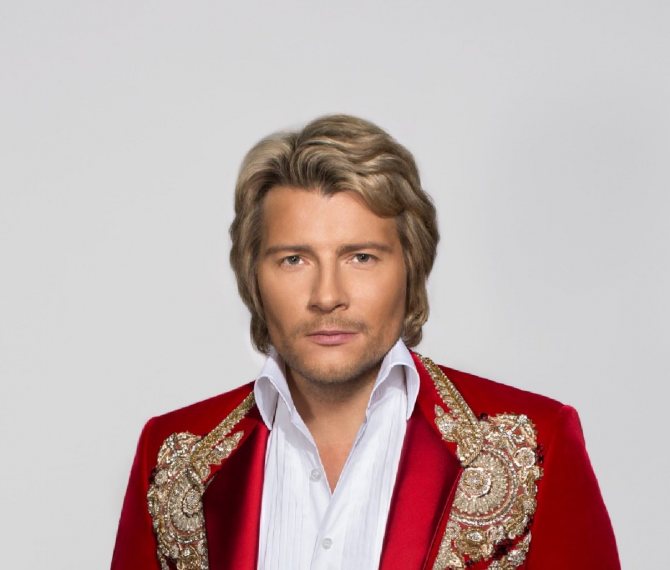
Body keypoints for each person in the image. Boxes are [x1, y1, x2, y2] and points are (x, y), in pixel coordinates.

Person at [111, 115, 620, 569]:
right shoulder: (175, 458)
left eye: (361, 257)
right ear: (254, 276)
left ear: (410, 268)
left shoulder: (534, 447)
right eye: (294, 259)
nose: (327, 296)